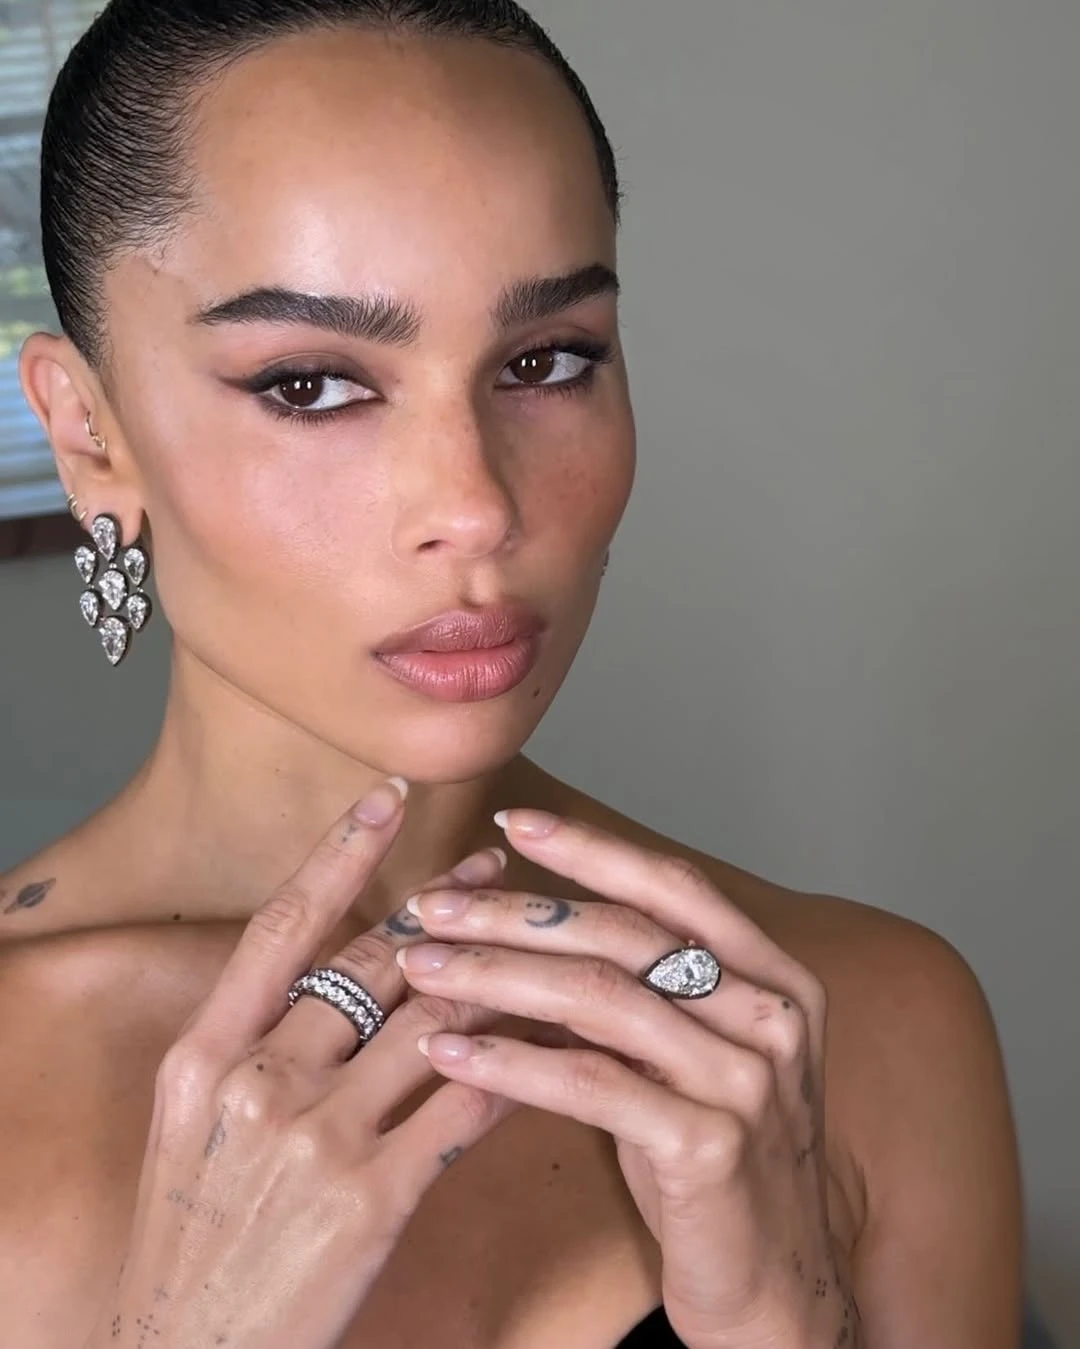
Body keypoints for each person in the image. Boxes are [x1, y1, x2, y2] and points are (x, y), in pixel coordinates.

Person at [0, 2, 1022, 1346]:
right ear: (91, 436)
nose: (476, 507)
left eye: (546, 362)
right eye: (311, 385)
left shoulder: (868, 1024)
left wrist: (787, 1321)